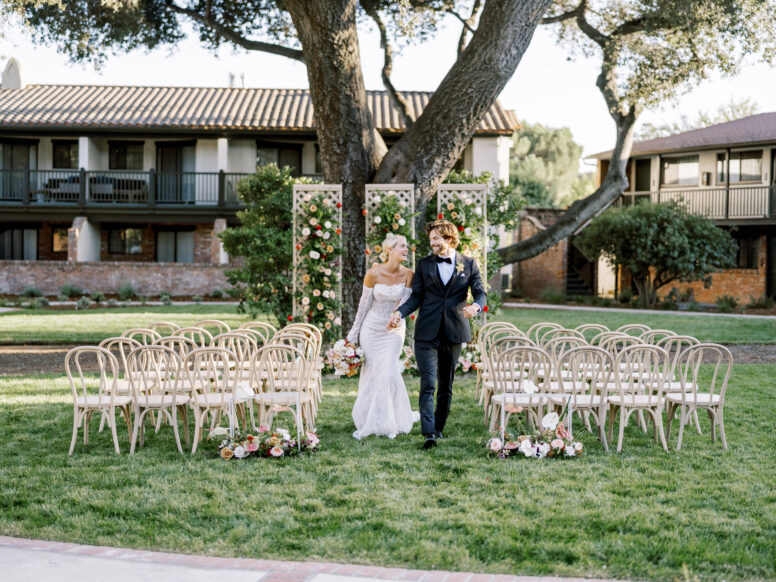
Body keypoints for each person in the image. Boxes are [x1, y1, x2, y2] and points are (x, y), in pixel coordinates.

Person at [387, 220, 486, 449]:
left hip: (454, 331)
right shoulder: (424, 265)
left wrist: (475, 307)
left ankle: (439, 427)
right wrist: (399, 313)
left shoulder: (469, 264)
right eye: (431, 239)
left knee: (446, 384)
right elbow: (416, 297)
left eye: (435, 239)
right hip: (426, 333)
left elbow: (480, 293)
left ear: (449, 239)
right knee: (428, 382)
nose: (431, 243)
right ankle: (429, 433)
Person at [346, 233, 420, 439]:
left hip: (393, 331)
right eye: (403, 246)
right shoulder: (373, 274)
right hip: (371, 329)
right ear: (390, 250)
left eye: (407, 246)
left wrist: (395, 318)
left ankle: (389, 421)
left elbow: (404, 304)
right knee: (373, 374)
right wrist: (353, 335)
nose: (407, 249)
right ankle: (367, 419)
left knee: (388, 371)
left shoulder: (408, 274)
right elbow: (363, 307)